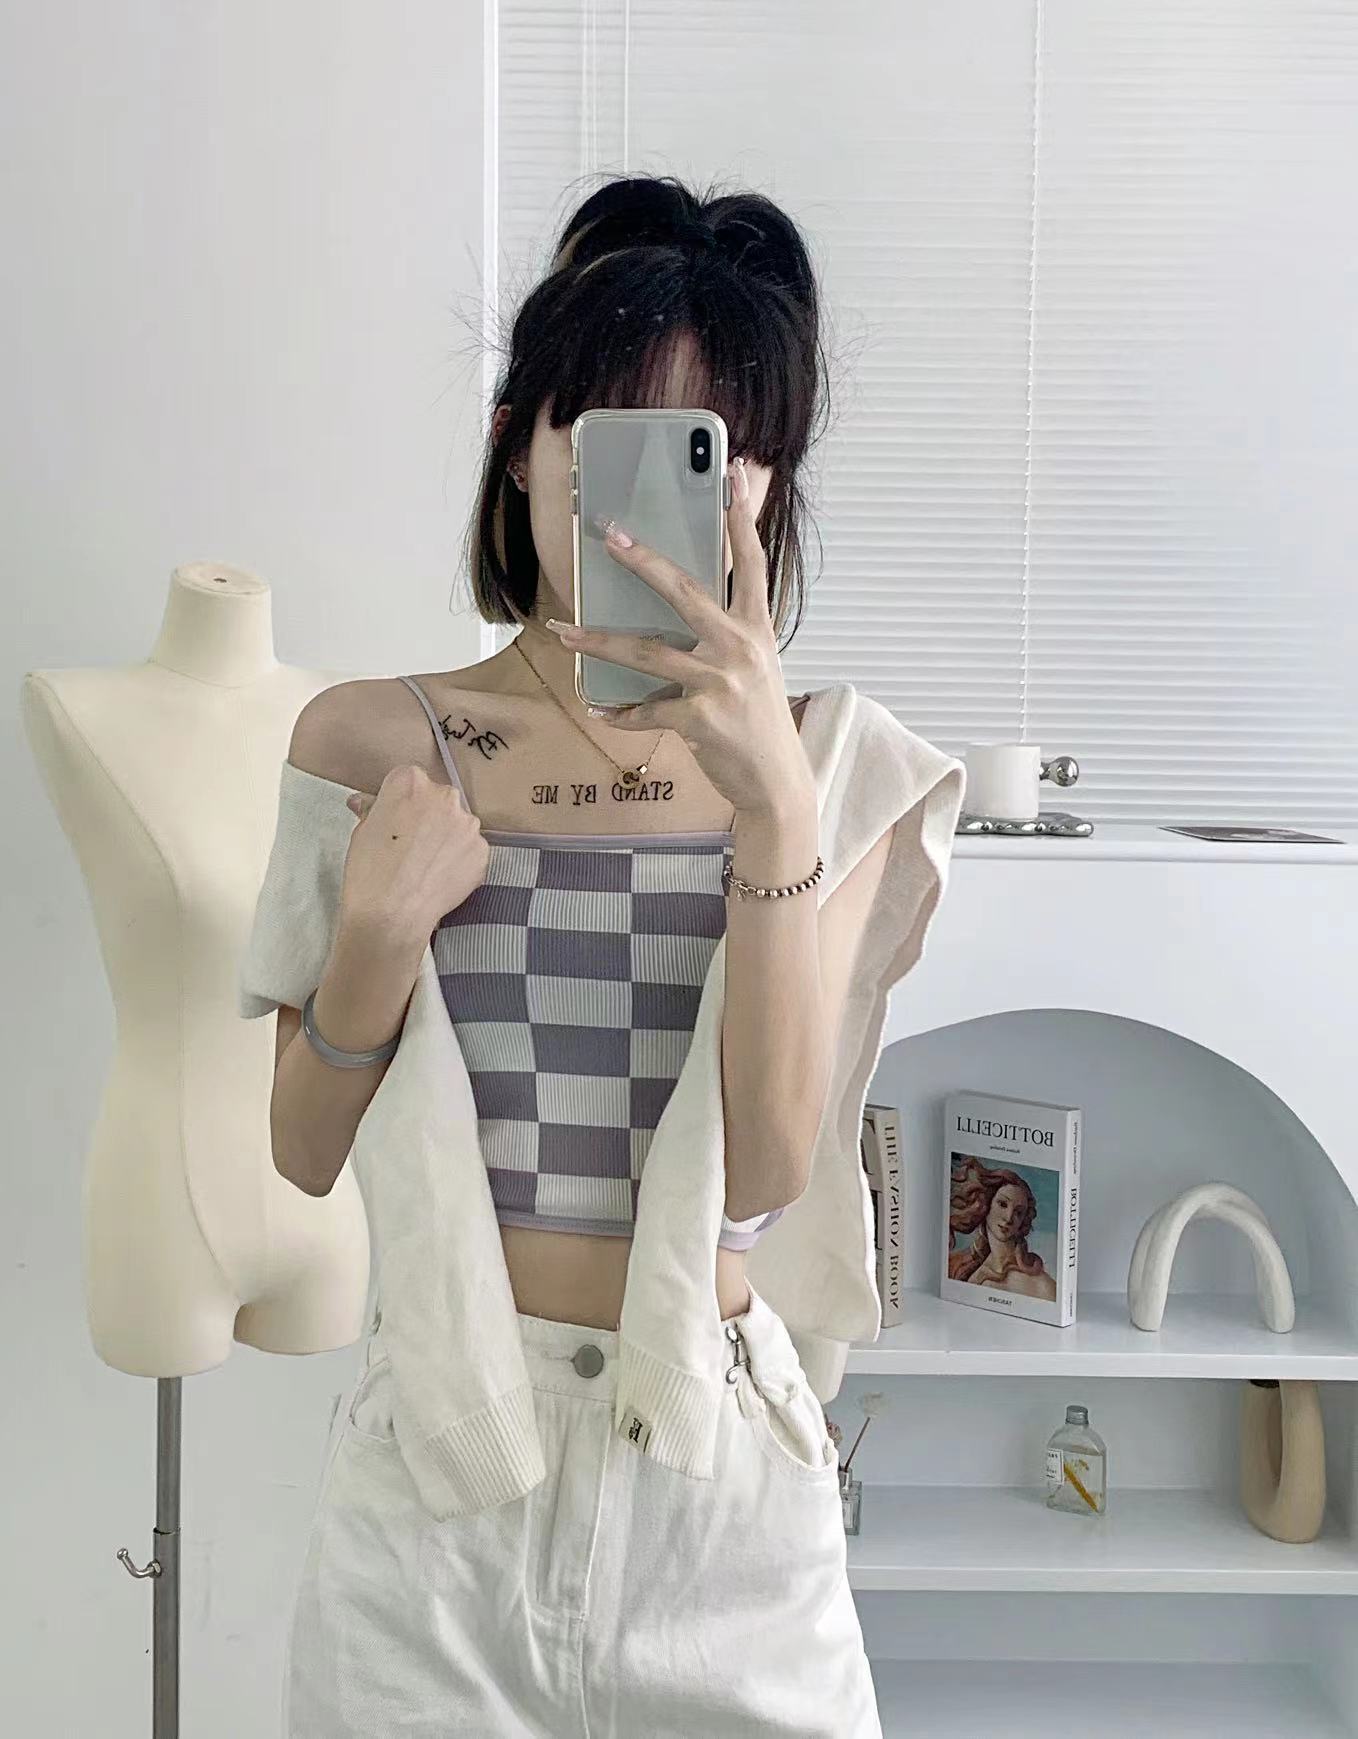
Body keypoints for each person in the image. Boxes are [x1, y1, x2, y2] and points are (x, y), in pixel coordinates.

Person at [273, 173, 911, 1736]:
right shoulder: (371, 739)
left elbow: (769, 1161)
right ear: (521, 443)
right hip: (439, 1482)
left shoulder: (837, 767)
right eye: (614, 427)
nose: (657, 494)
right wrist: (374, 935)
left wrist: (771, 815)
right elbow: (298, 1146)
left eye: (718, 444)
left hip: (715, 1494)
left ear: (763, 484)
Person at [947, 1157, 1058, 1301]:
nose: (1009, 1218)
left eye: (1018, 1212)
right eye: (1002, 1204)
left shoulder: (1042, 1286)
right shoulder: (961, 1266)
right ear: (986, 1204)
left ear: (1022, 1222)